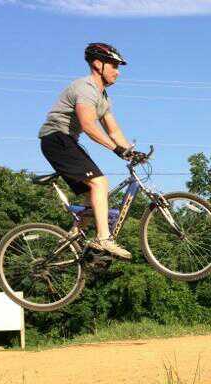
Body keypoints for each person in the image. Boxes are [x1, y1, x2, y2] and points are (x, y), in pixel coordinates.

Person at [38, 42, 134, 259]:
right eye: (114, 66)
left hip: (66, 141)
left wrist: (131, 152)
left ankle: (69, 244)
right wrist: (117, 150)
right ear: (97, 64)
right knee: (100, 183)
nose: (117, 72)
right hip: (56, 139)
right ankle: (103, 239)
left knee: (93, 200)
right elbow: (89, 126)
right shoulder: (85, 88)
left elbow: (114, 130)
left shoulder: (103, 97)